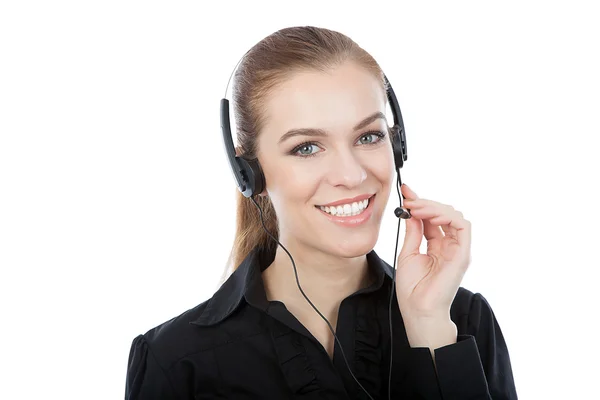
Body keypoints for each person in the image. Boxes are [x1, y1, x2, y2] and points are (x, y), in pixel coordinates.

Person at [125, 26, 518, 399]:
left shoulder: (461, 321)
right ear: (250, 173)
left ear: (397, 145)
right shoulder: (175, 360)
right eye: (307, 147)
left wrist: (429, 328)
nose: (351, 174)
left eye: (368, 136)